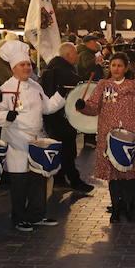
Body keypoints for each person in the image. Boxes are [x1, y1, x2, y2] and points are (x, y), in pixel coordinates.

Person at [0, 39, 65, 232]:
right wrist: (7, 116)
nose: (27, 67)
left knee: (39, 179)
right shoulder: (6, 88)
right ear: (13, 68)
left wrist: (62, 96)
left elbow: (46, 108)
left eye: (28, 64)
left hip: (36, 140)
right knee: (20, 183)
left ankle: (37, 214)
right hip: (17, 142)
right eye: (22, 65)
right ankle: (19, 218)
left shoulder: (35, 86)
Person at [76, 51, 135, 223]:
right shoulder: (103, 84)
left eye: (120, 65)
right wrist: (82, 106)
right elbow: (93, 107)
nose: (116, 69)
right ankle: (115, 208)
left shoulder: (133, 85)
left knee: (128, 174)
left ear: (126, 68)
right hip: (108, 134)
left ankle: (130, 208)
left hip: (129, 134)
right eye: (113, 65)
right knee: (114, 175)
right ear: (110, 67)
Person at [41, 41, 93, 194]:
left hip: (54, 118)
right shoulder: (63, 71)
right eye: (75, 53)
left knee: (61, 150)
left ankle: (60, 179)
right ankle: (74, 181)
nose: (77, 56)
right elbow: (78, 87)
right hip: (61, 118)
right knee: (68, 151)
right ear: (68, 55)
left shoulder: (51, 68)